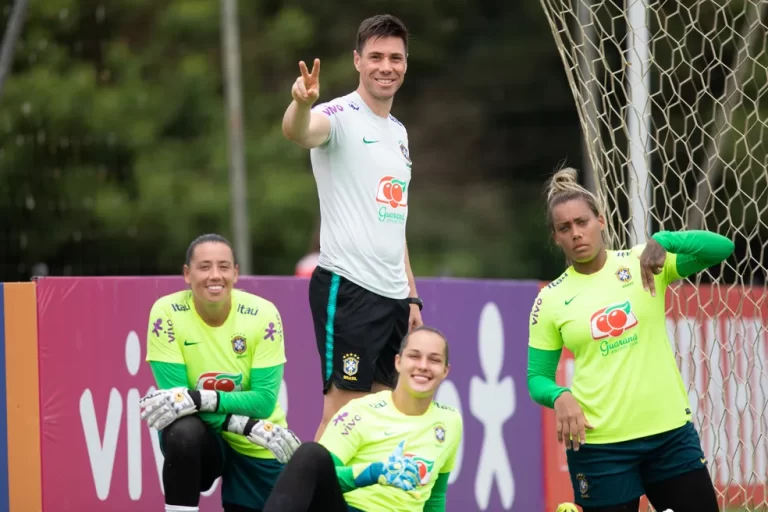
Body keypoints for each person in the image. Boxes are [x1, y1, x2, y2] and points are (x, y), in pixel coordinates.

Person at [527, 167, 734, 512]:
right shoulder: (549, 299)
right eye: (565, 228)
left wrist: (665, 241)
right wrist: (560, 396)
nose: (577, 233)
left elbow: (721, 248)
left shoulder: (643, 262)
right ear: (556, 237)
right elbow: (537, 378)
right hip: (600, 446)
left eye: (583, 222)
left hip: (669, 436)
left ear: (601, 222)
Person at [282, 13, 424, 441]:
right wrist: (301, 102)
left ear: (405, 63)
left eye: (395, 58)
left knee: (383, 424)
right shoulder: (338, 115)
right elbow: (299, 131)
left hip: (394, 297)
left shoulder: (398, 133)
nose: (386, 66)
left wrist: (411, 295)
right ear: (357, 60)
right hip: (349, 289)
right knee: (342, 419)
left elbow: (394, 223)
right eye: (376, 56)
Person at [139, 233, 301, 512]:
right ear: (187, 274)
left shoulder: (264, 314)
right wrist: (246, 424)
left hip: (259, 444)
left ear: (236, 273)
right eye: (204, 267)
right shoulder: (166, 313)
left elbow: (262, 402)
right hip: (225, 436)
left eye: (224, 266)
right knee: (182, 431)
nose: (215, 275)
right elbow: (177, 405)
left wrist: (200, 400)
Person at [262, 326, 462, 512]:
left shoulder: (450, 421)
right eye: (414, 356)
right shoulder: (360, 412)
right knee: (310, 453)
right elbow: (317, 476)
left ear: (446, 371)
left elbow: (435, 497)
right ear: (398, 362)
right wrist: (372, 473)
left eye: (434, 360)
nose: (423, 366)